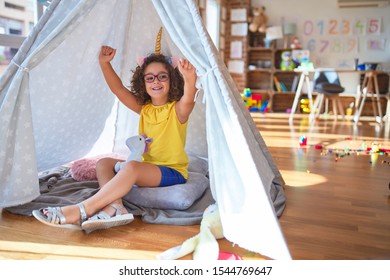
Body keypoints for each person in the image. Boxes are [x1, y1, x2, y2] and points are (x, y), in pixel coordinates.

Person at [33, 38, 197, 232]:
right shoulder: (144, 109)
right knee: (103, 163)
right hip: (148, 168)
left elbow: (188, 97)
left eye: (162, 76)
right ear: (143, 82)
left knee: (132, 167)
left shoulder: (177, 110)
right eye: (150, 78)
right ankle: (116, 206)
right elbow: (118, 89)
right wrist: (105, 63)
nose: (156, 81)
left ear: (172, 79)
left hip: (172, 173)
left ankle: (82, 209)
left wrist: (190, 78)